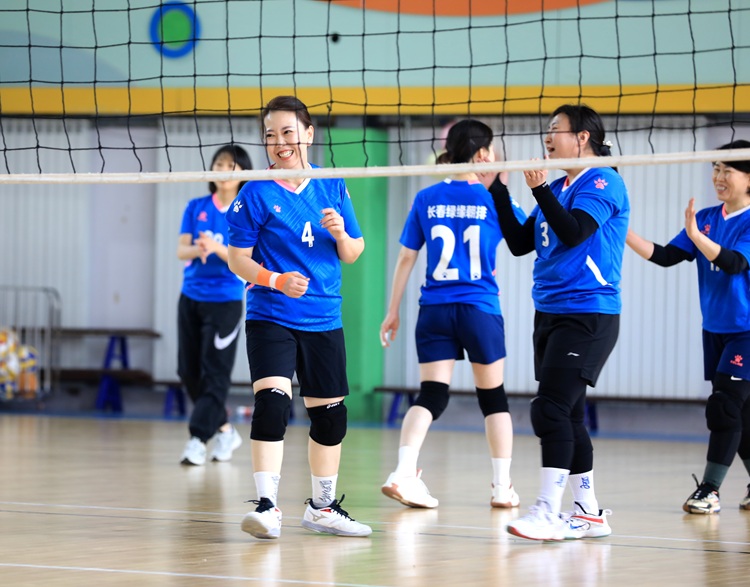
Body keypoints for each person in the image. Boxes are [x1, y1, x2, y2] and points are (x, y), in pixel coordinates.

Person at [226, 95, 371, 539]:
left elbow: (354, 251)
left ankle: (322, 508)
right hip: (272, 313)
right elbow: (237, 259)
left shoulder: (331, 184)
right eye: (270, 135)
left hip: (323, 316)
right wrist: (275, 279)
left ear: (309, 134)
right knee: (273, 402)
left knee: (330, 416)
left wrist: (341, 233)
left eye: (288, 132)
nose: (280, 142)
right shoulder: (255, 191)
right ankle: (267, 506)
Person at [487, 104, 629, 540]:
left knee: (548, 409)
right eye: (547, 130)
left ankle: (548, 511)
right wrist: (497, 189)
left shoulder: (603, 180)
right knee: (568, 414)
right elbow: (518, 243)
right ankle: (588, 512)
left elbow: (573, 232)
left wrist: (539, 190)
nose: (547, 137)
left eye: (556, 129)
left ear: (582, 137)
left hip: (588, 312)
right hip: (549, 311)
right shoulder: (561, 186)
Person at [379, 119, 526, 510]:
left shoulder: (426, 197)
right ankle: (501, 487)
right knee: (493, 399)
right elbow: (526, 235)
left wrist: (392, 311)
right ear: (483, 154)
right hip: (480, 309)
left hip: (435, 309)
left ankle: (403, 472)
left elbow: (406, 257)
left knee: (431, 395)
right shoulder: (494, 198)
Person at [626, 140, 750, 515]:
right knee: (741, 414)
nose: (718, 177)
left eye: (727, 170)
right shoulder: (708, 217)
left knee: (724, 407)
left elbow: (734, 263)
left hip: (746, 331)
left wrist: (698, 237)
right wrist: (620, 229)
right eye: (715, 168)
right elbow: (666, 256)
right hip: (715, 329)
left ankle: (709, 490)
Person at [177, 144, 252, 466]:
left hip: (226, 301)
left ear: (244, 173)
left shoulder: (246, 209)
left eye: (231, 166)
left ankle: (197, 438)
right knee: (187, 370)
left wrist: (218, 249)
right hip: (191, 295)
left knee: (214, 372)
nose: (224, 170)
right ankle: (225, 429)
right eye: (219, 164)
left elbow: (246, 257)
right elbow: (181, 250)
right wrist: (200, 248)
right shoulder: (196, 207)